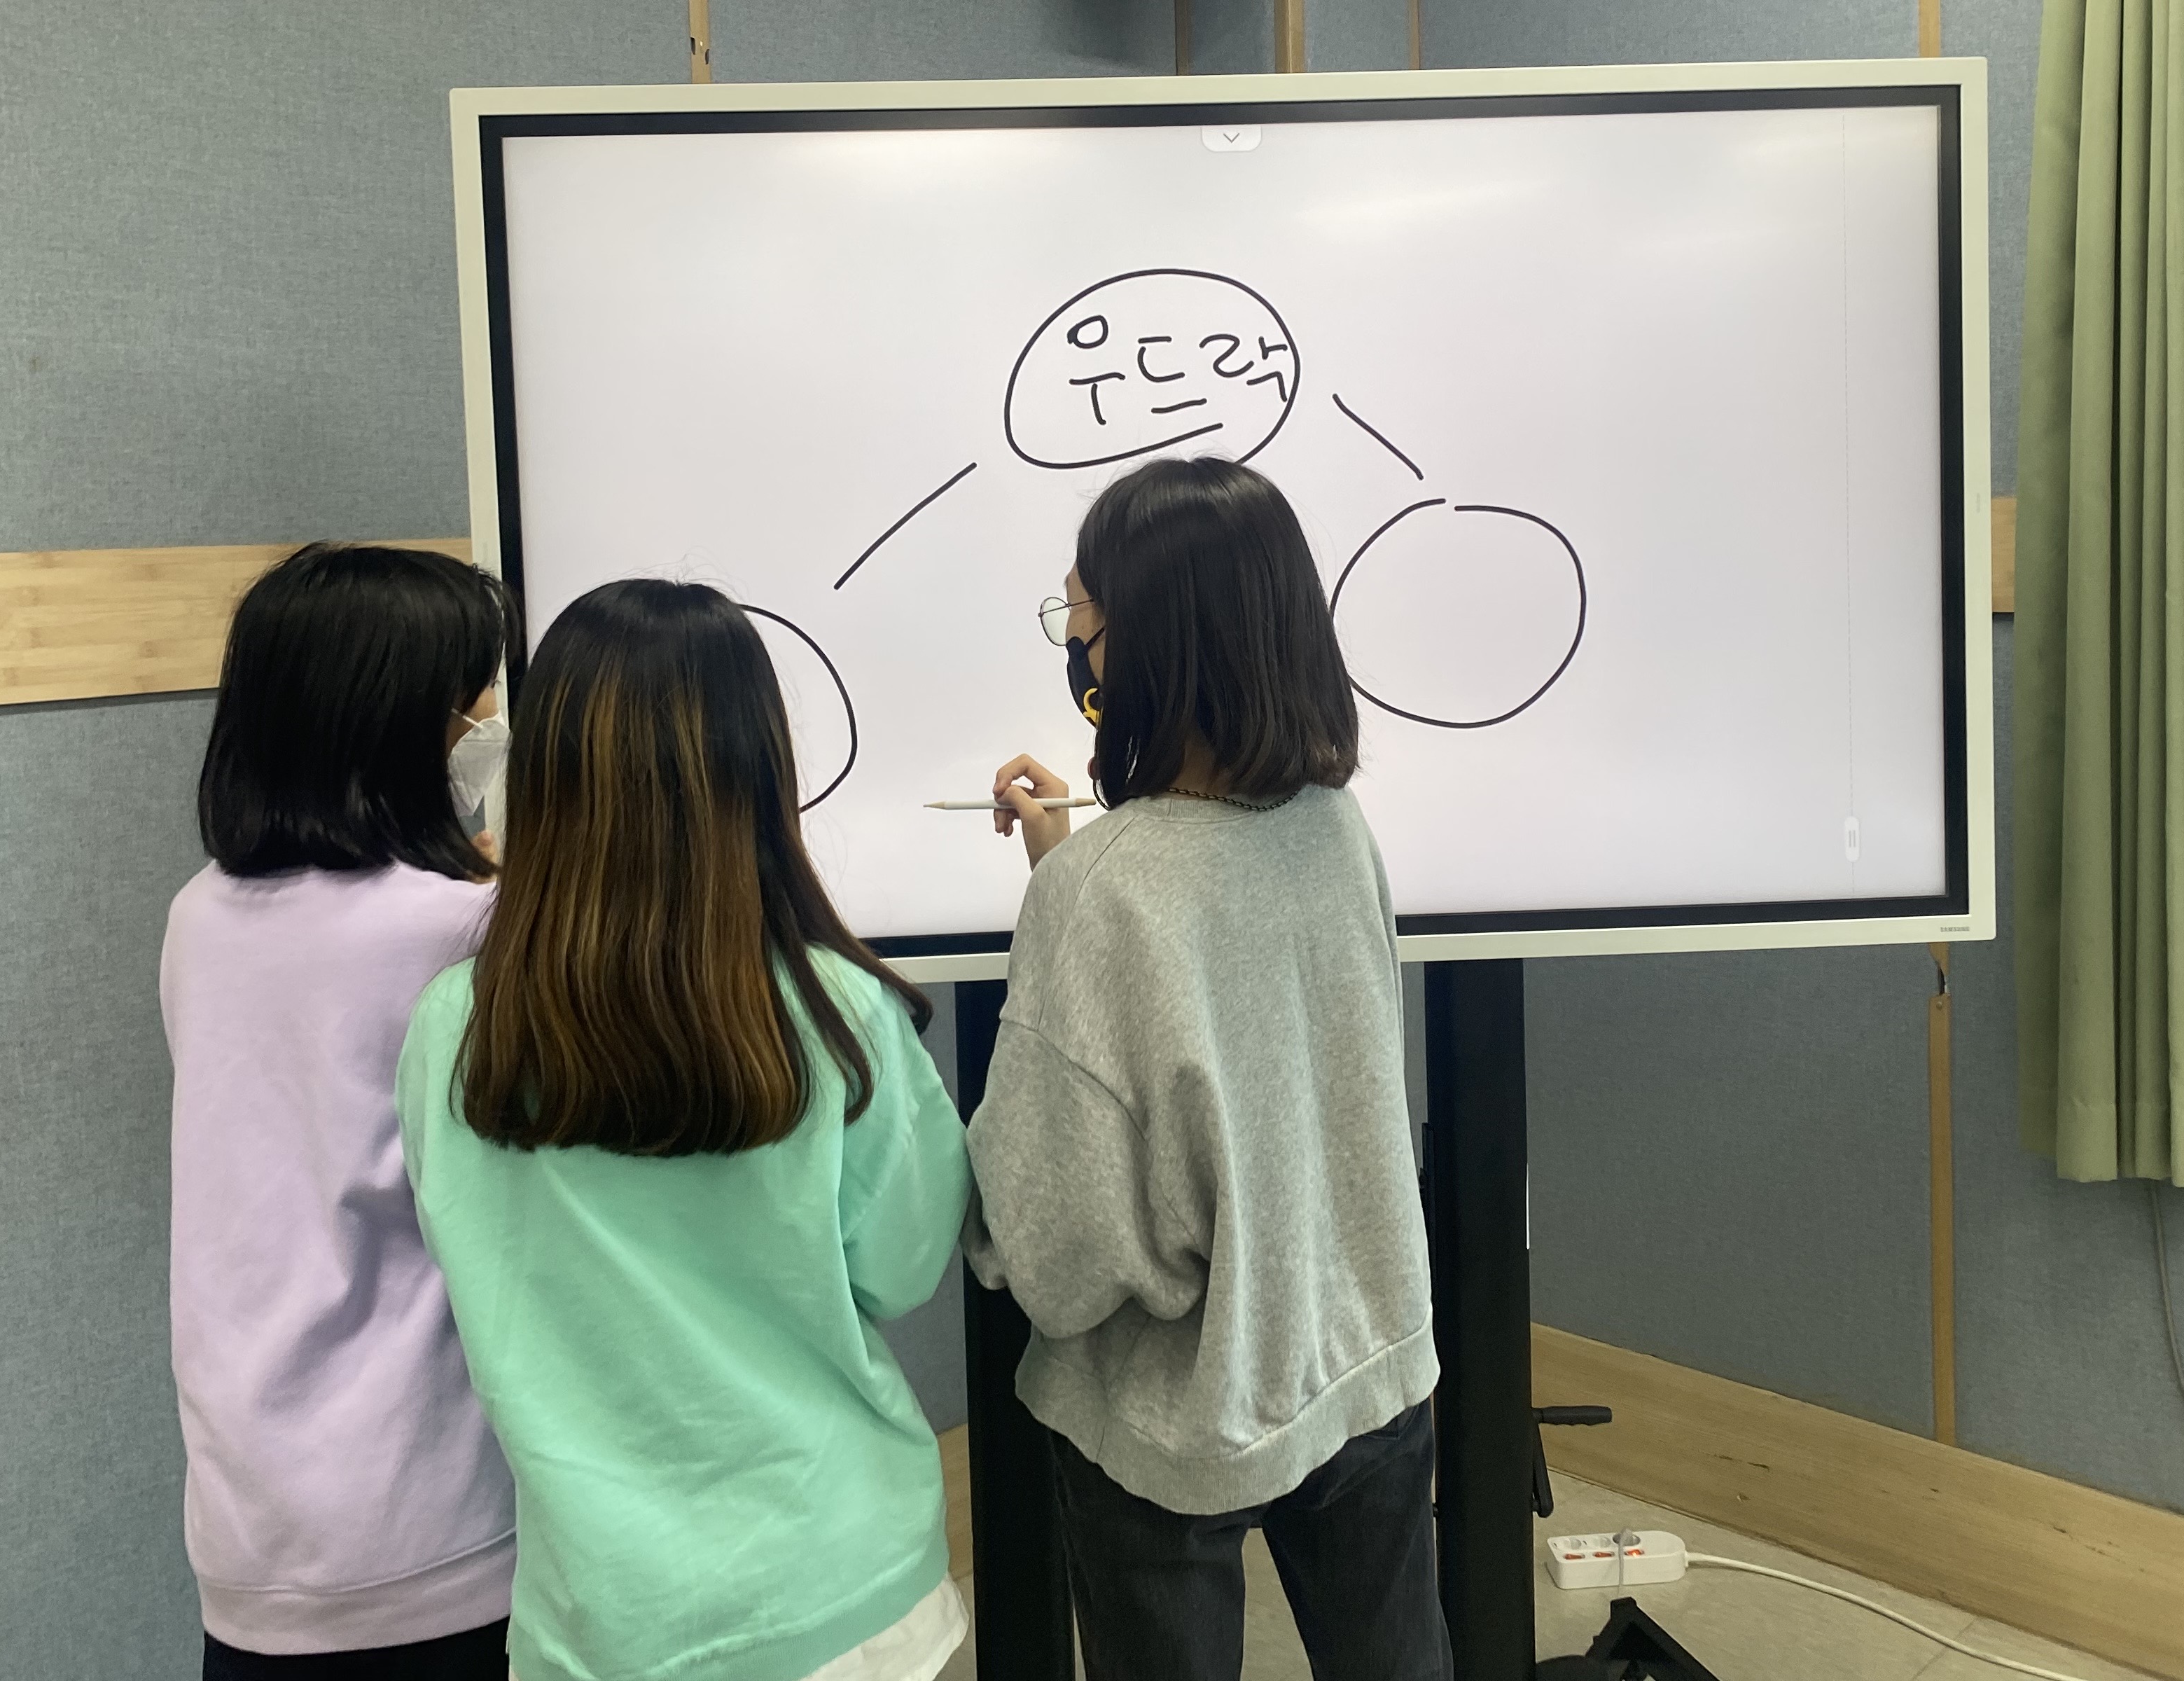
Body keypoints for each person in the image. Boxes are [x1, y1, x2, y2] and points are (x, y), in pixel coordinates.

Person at [396, 579, 971, 1681]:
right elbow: (904, 1266)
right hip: (842, 1587)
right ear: (756, 771)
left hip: (601, 1616)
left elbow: (469, 1252)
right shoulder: (836, 1013)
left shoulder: (454, 1031)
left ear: (546, 772)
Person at [971, 456, 1449, 1681]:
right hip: (1365, 1353)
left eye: (1079, 618)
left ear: (1143, 645)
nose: (1074, 645)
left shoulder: (1098, 895)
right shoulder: (1336, 826)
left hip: (1171, 1422)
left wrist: (1071, 886)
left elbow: (1057, 1252)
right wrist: (1069, 867)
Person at [161, 542, 522, 1679]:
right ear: (404, 724)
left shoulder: (199, 915)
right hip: (432, 1513)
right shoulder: (462, 930)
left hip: (249, 1516)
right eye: (474, 700)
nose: (491, 724)